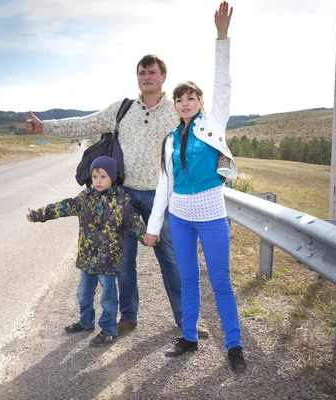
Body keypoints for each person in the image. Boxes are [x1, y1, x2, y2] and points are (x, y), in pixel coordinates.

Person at [26, 42, 210, 340]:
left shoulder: (176, 109)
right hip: (122, 197)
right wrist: (44, 126)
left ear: (163, 76)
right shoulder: (123, 109)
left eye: (152, 72)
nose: (146, 76)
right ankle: (129, 317)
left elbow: (202, 140)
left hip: (161, 198)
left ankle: (186, 320)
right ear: (137, 78)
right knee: (122, 262)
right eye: (141, 72)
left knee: (172, 261)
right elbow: (85, 124)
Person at [145, 2, 246, 372]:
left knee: (220, 280)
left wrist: (222, 37)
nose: (185, 102)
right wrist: (154, 227)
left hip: (212, 215)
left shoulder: (213, 124)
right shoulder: (170, 140)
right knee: (188, 280)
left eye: (191, 98)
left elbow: (224, 82)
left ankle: (234, 345)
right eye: (180, 98)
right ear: (174, 105)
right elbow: (163, 187)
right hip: (181, 219)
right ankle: (188, 337)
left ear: (201, 102)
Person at [26, 156, 151, 346]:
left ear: (113, 178)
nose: (98, 181)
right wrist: (38, 215)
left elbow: (134, 224)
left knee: (107, 298)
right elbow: (63, 207)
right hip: (88, 258)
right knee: (83, 293)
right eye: (94, 176)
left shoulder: (122, 201)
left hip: (109, 260)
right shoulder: (85, 198)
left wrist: (145, 236)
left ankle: (108, 330)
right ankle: (86, 322)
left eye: (103, 176)